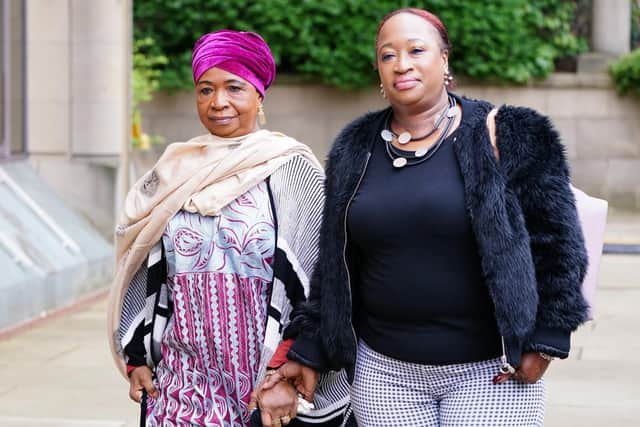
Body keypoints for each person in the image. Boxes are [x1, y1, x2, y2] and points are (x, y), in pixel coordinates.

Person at [261, 8, 588, 427]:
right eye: (387, 55)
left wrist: (547, 341)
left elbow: (559, 244)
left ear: (445, 59)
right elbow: (335, 262)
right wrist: (310, 349)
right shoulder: (354, 146)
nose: (402, 64)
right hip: (384, 374)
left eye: (417, 49)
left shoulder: (508, 133)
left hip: (489, 374)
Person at [106, 29, 349, 427]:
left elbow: (320, 281)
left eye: (234, 88)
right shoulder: (176, 170)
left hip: (266, 382)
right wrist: (137, 356)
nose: (218, 102)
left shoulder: (292, 171)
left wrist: (294, 360)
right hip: (182, 381)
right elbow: (144, 267)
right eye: (205, 90)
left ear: (258, 94)